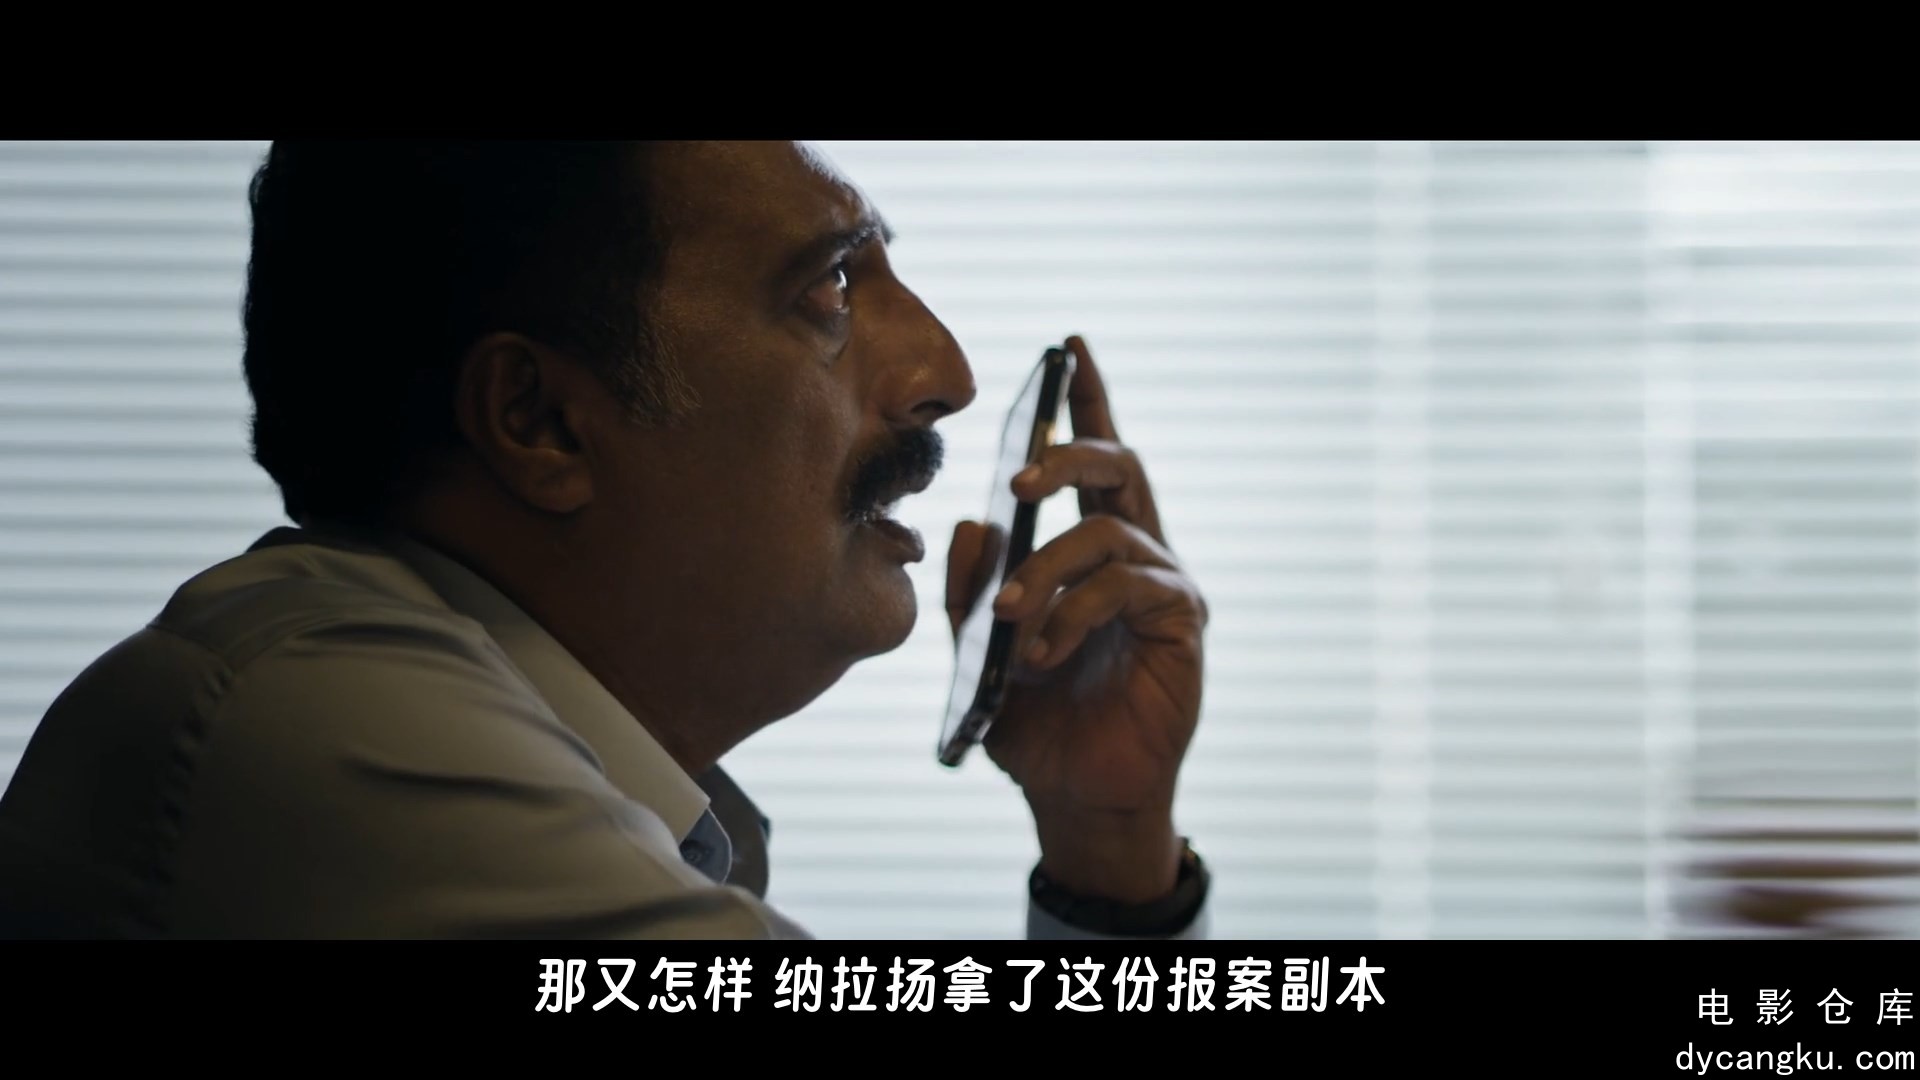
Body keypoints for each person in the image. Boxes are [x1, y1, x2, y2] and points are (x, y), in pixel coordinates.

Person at [0, 141, 1212, 940]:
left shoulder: (587, 799)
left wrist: (1108, 851)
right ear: (540, 424)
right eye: (831, 289)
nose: (945, 373)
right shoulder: (322, 722)